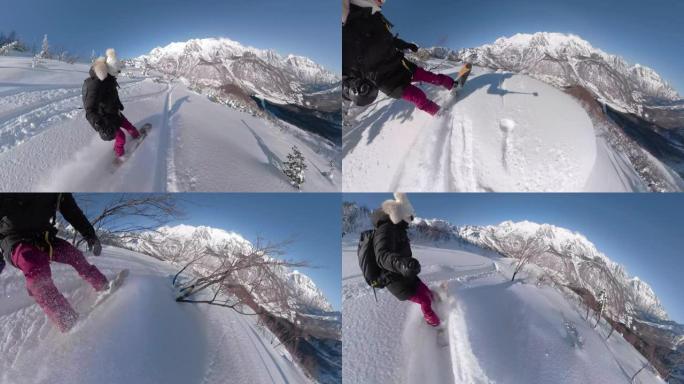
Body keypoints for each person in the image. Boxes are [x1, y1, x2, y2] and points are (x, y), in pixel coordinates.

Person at [0, 193, 108, 332]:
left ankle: (102, 285)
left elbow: (72, 212)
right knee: (35, 266)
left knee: (74, 255)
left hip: (44, 237)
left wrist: (90, 235)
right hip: (14, 239)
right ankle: (67, 320)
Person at [342, 0, 470, 115]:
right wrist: (351, 88)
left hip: (400, 65)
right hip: (385, 81)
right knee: (418, 97)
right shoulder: (345, 23)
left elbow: (390, 40)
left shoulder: (375, 17)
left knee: (431, 77)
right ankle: (439, 114)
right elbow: (344, 73)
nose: (383, 2)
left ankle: (453, 85)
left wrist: (407, 45)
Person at [372, 193, 440, 326]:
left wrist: (406, 265)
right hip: (396, 281)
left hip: (407, 275)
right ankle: (436, 325)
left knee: (428, 293)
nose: (411, 219)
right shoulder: (385, 230)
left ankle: (440, 308)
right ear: (399, 215)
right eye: (409, 216)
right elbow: (382, 256)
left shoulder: (397, 229)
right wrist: (403, 264)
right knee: (425, 300)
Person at [82, 48, 142, 160]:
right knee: (121, 138)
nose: (118, 73)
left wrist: (119, 105)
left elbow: (112, 95)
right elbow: (89, 110)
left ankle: (137, 136)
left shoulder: (110, 79)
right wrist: (100, 125)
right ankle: (119, 154)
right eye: (117, 71)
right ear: (111, 70)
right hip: (105, 119)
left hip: (115, 113)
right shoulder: (96, 84)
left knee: (130, 126)